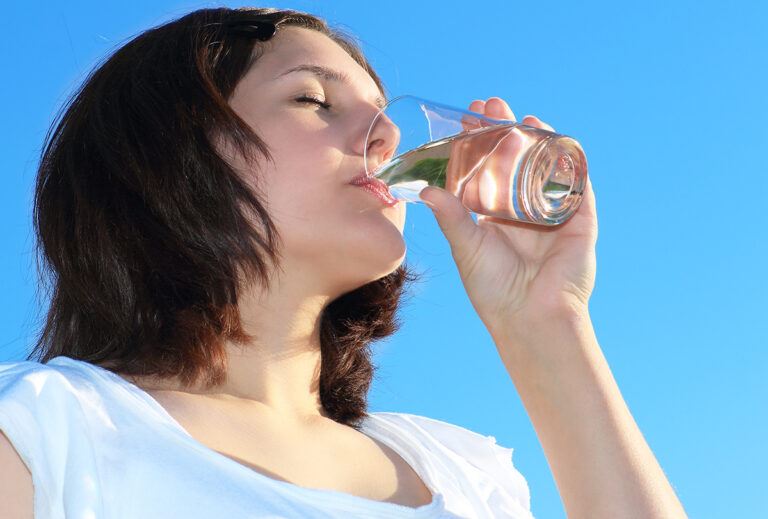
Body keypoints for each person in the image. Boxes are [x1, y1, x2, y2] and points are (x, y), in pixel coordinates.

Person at [0, 6, 687, 518]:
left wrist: (545, 324)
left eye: (381, 111)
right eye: (312, 99)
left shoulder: (464, 471)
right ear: (162, 162)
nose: (387, 133)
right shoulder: (48, 431)